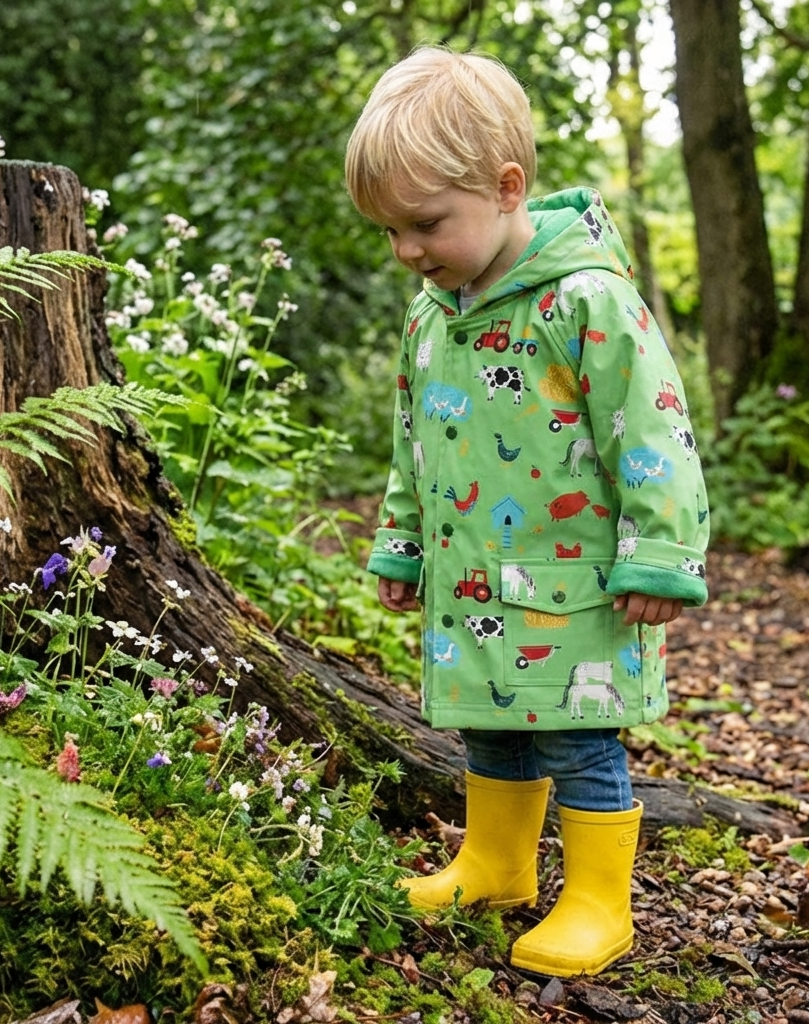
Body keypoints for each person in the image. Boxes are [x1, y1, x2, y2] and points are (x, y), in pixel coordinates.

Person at [344, 46, 708, 978]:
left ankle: (597, 901)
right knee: (491, 726)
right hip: (471, 574)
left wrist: (661, 551)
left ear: (507, 188)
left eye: (424, 225)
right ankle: (496, 863)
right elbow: (413, 438)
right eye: (388, 233)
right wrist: (398, 542)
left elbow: (654, 426)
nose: (406, 252)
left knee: (579, 737)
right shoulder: (433, 317)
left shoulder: (586, 298)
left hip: (577, 580)